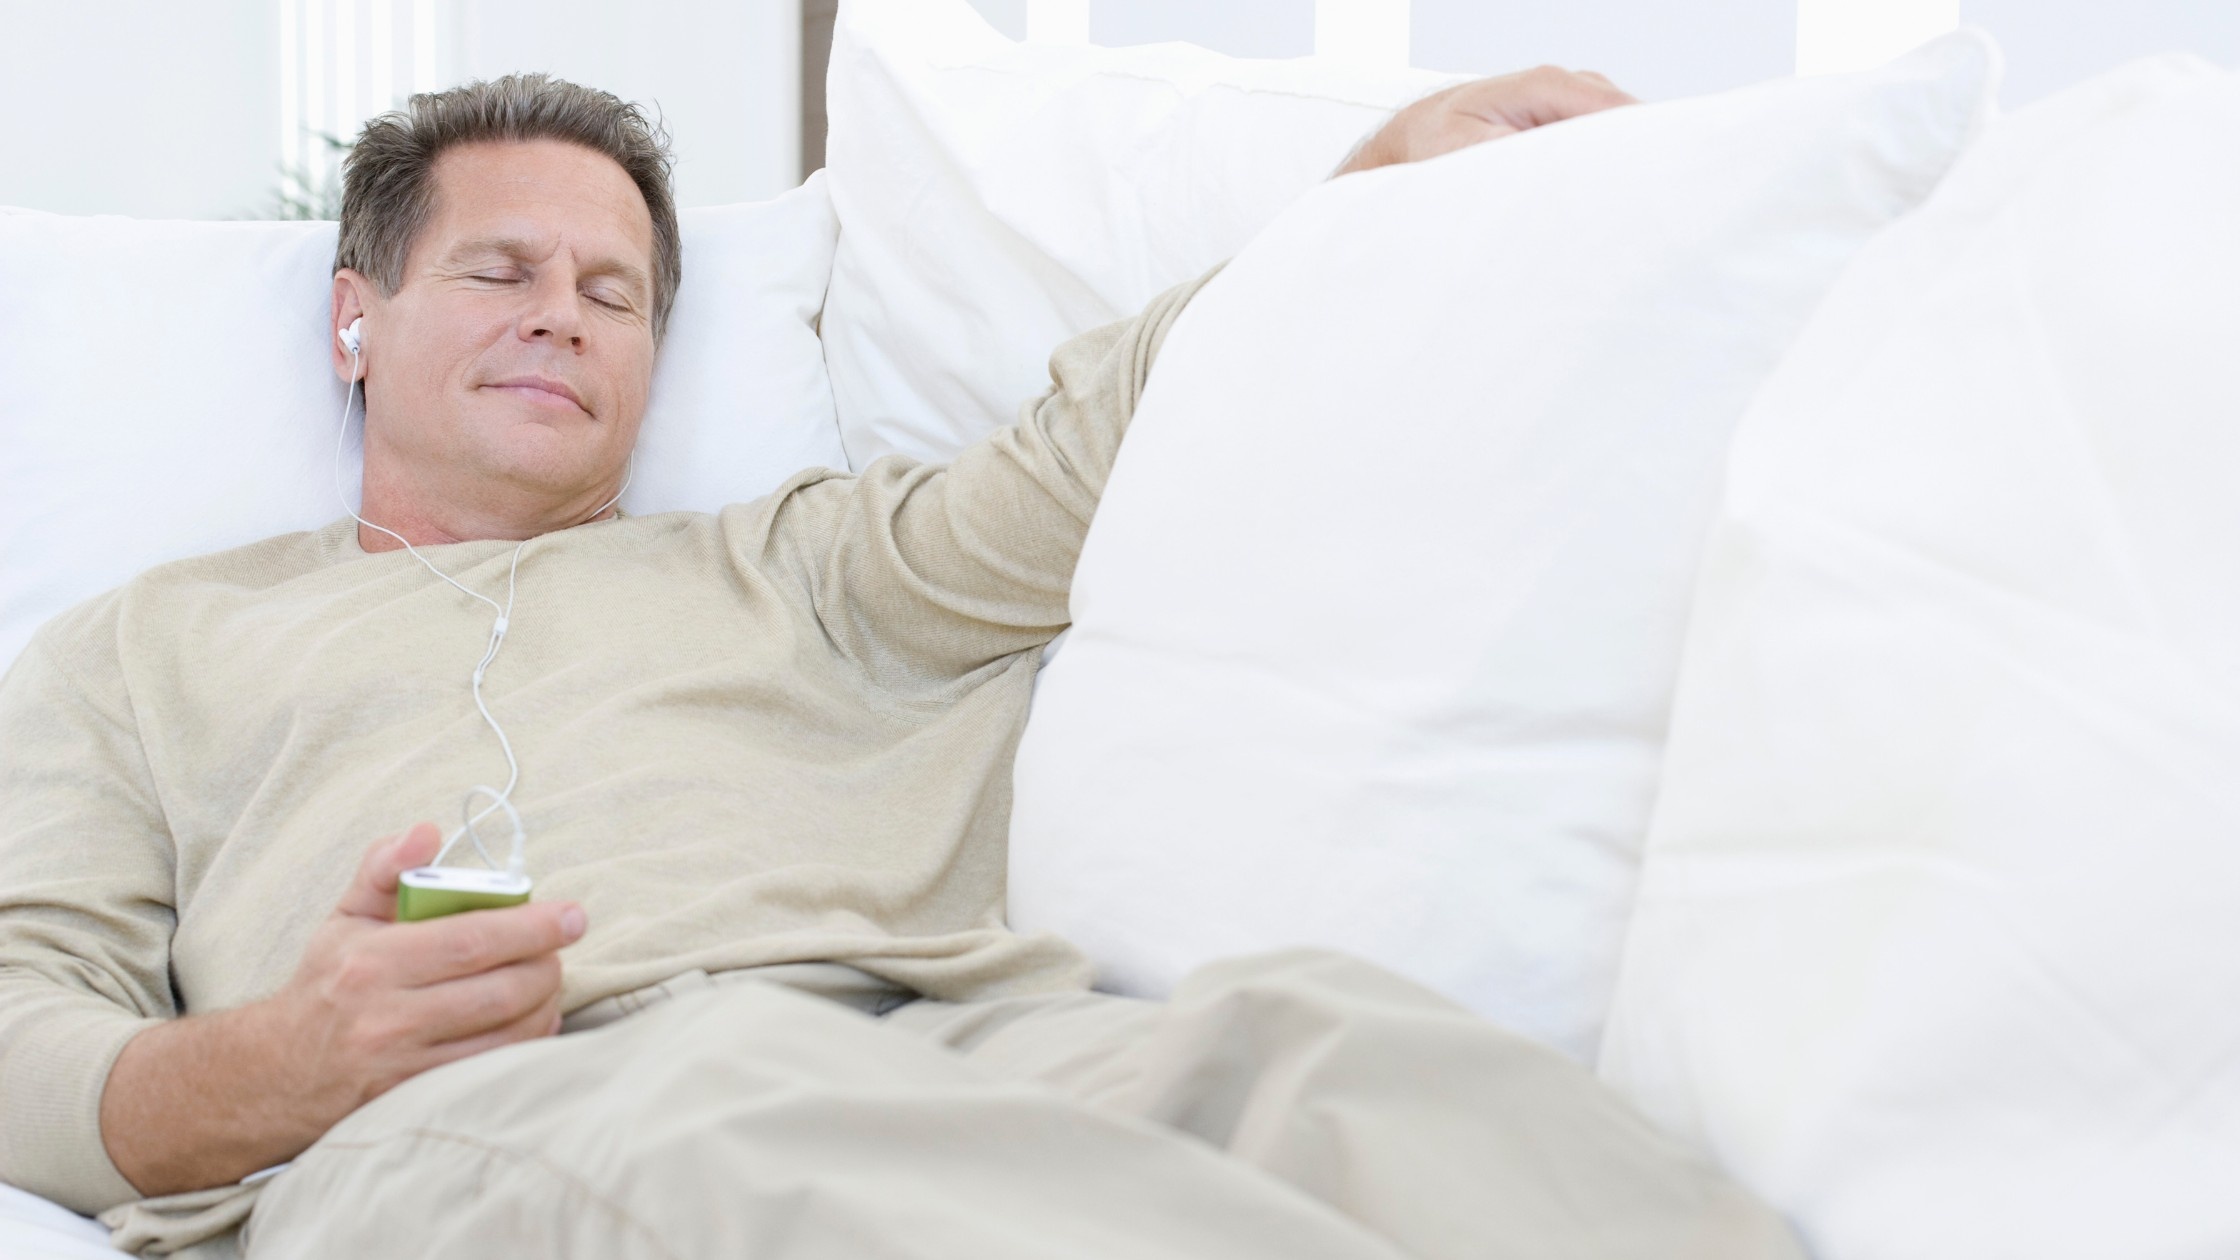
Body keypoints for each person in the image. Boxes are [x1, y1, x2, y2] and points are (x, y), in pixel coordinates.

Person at [0, 70, 1799, 1259]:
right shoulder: (142, 648)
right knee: (723, 1137)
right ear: (356, 316)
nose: (563, 312)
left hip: (954, 1045)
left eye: (614, 293)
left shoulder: (800, 561)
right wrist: (277, 1063)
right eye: (502, 270)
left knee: (1343, 1058)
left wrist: (1360, 206)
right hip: (461, 1124)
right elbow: (19, 1023)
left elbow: (1076, 465)